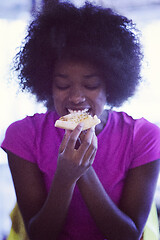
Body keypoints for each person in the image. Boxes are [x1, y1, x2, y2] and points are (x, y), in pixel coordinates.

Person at [1, 1, 160, 240]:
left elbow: (128, 236)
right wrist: (65, 177)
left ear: (111, 85)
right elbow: (39, 235)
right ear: (47, 85)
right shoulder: (22, 135)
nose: (76, 97)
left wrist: (83, 171)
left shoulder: (144, 136)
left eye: (91, 85)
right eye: (62, 85)